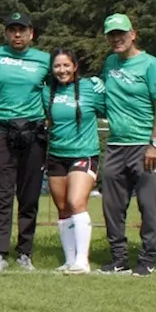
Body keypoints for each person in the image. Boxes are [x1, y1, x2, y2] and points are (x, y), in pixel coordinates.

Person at [99, 13, 156, 276]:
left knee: (149, 207)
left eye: (121, 33)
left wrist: (155, 144)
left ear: (133, 34)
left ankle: (147, 259)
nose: (116, 38)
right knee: (112, 206)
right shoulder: (109, 64)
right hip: (116, 146)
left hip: (144, 146)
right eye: (111, 34)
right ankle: (119, 258)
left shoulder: (151, 65)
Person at [0, 12, 51, 273]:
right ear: (5, 32)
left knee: (29, 195)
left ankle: (25, 253)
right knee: (0, 194)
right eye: (12, 29)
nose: (17, 35)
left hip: (33, 132)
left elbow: (62, 85)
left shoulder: (44, 59)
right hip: (3, 130)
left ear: (31, 33)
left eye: (22, 30)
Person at [44, 49, 105, 274]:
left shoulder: (89, 87)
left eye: (66, 65)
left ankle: (83, 261)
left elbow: (111, 105)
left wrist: (103, 83)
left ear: (75, 66)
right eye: (57, 66)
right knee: (62, 208)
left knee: (76, 202)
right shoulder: (46, 92)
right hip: (57, 155)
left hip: (84, 154)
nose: (62, 70)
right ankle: (69, 261)